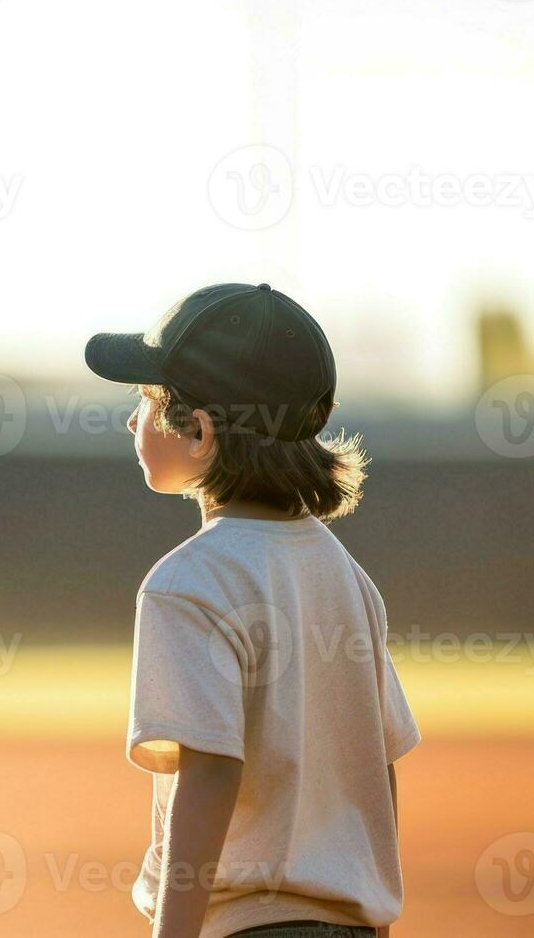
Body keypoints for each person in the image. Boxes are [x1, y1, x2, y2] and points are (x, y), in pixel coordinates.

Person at [84, 283, 419, 938]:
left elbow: (209, 773)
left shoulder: (188, 580)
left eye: (149, 402)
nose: (133, 421)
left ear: (200, 431)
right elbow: (376, 770)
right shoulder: (346, 575)